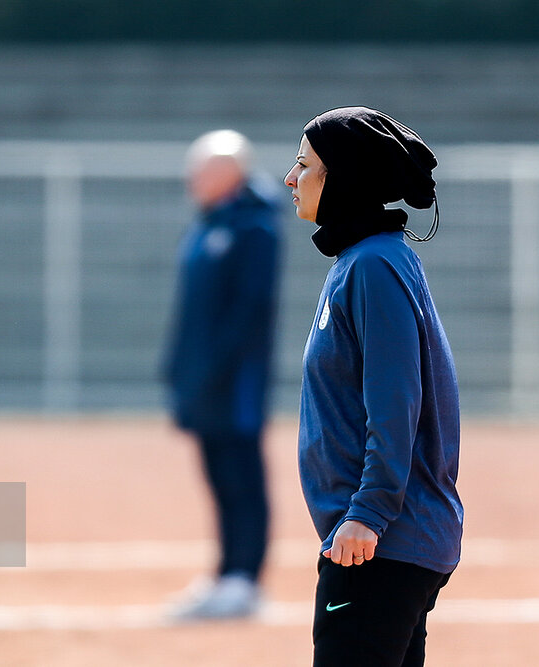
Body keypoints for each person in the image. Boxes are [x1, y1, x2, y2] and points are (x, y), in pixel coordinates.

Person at [284, 107, 462, 666]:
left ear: (343, 178)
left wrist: (368, 512)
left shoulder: (373, 267)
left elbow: (396, 402)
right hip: (385, 543)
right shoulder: (365, 260)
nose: (291, 178)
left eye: (304, 165)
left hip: (378, 544)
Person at [163, 129, 282, 620]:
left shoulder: (255, 228)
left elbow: (248, 312)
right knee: (217, 475)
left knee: (242, 477)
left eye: (202, 169)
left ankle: (245, 579)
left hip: (236, 385)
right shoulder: (209, 224)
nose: (192, 179)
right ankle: (225, 571)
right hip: (203, 380)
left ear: (230, 172)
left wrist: (217, 368)